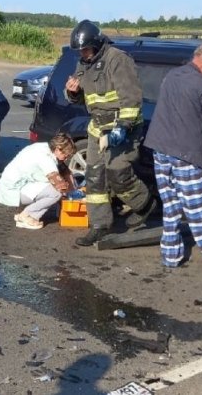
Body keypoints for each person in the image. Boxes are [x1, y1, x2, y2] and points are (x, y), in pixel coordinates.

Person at [64, 20, 157, 246]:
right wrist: (72, 92)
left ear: (97, 44)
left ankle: (144, 203)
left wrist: (123, 127)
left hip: (121, 128)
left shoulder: (117, 59)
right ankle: (99, 225)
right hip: (97, 129)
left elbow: (131, 99)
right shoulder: (83, 64)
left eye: (86, 50)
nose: (83, 54)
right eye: (80, 51)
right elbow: (79, 98)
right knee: (95, 179)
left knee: (117, 173)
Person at [144, 41, 202, 269]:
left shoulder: (173, 75)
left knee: (171, 205)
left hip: (161, 149)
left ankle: (171, 255)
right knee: (200, 209)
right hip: (185, 154)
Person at [0, 133, 77, 229]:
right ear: (58, 149)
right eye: (66, 156)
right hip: (13, 189)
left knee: (50, 188)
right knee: (55, 193)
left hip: (12, 183)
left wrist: (71, 182)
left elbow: (63, 169)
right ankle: (27, 216)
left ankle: (24, 212)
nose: (66, 159)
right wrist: (74, 195)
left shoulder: (42, 147)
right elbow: (60, 185)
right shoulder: (46, 159)